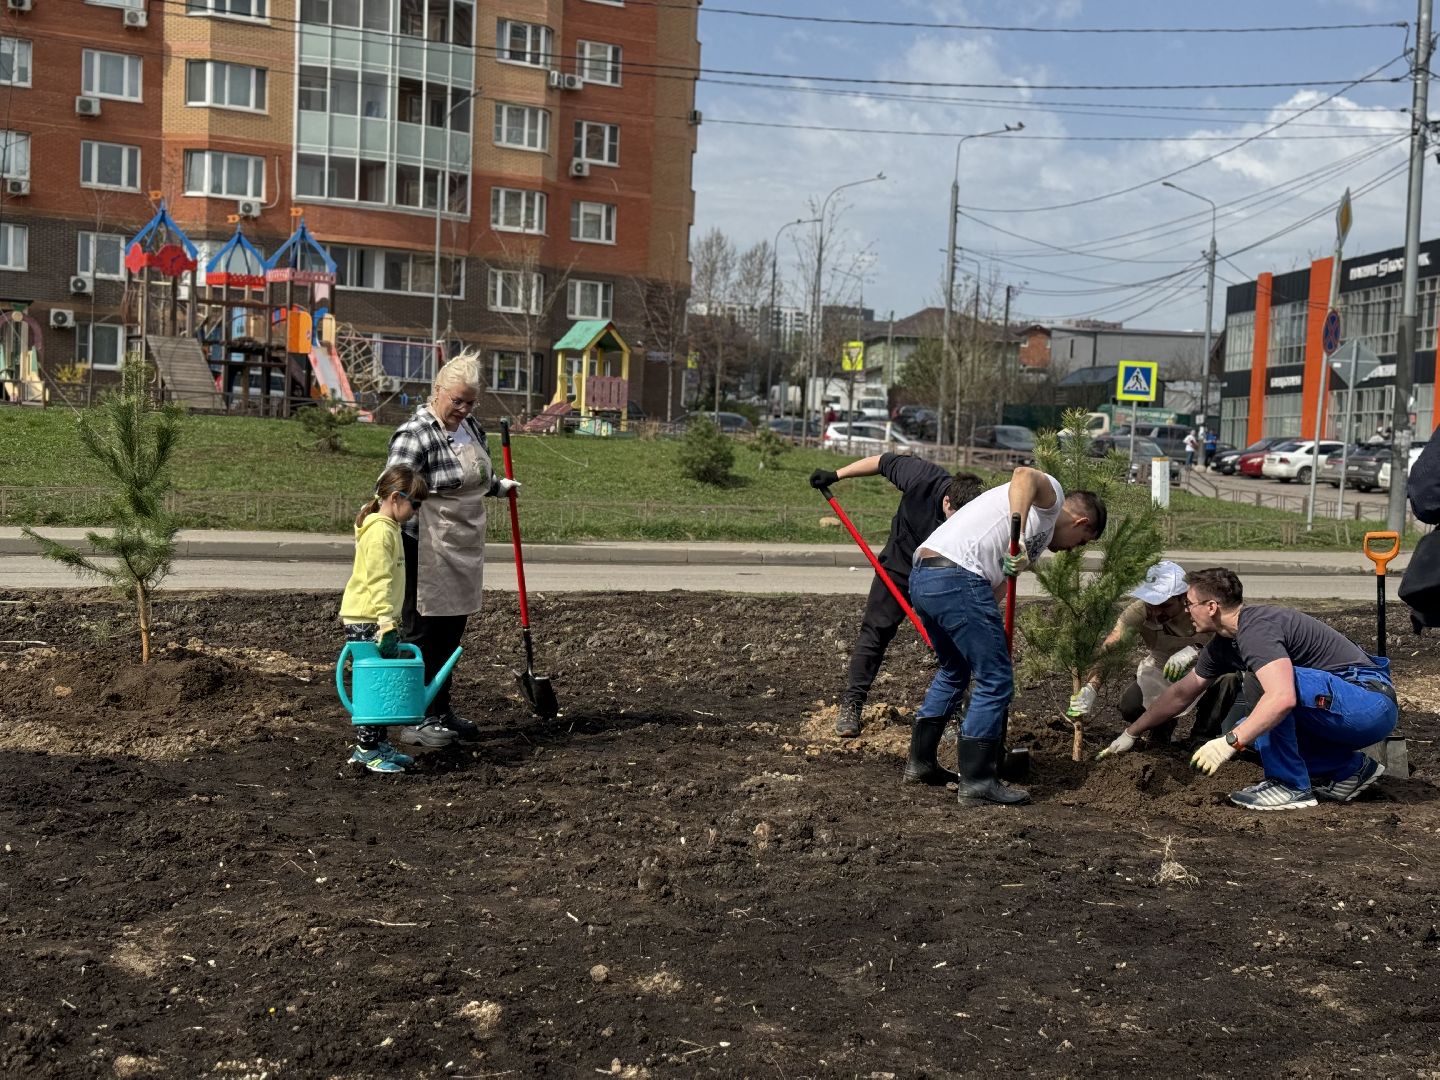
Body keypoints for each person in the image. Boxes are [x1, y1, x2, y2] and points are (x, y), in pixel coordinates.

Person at [1098, 567, 1397, 810]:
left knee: (1267, 707)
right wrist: (1131, 733)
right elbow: (1180, 694)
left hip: (1366, 703)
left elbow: (1281, 697)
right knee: (1253, 726)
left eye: (1190, 604)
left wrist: (1229, 742)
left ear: (1211, 607)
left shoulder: (1256, 628)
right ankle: (1350, 769)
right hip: (1340, 709)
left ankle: (1290, 785)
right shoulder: (1223, 645)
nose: (1186, 611)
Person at [909, 466, 1107, 806]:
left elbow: (995, 590)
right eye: (1082, 544)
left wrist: (1014, 557)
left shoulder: (1036, 541)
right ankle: (978, 781)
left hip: (926, 576)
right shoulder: (1052, 498)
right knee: (995, 678)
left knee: (955, 669)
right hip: (957, 574)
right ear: (1081, 523)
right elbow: (1024, 475)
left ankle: (921, 763)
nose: (1073, 550)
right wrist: (1016, 532)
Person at [385, 351, 521, 748]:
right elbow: (392, 488)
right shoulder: (415, 433)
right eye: (456, 400)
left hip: (463, 541)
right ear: (437, 391)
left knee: (452, 631)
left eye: (471, 402)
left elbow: (477, 474)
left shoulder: (472, 428)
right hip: (424, 544)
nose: (463, 409)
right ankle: (418, 717)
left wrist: (499, 486)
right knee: (425, 632)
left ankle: (441, 711)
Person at [808, 456, 985, 749]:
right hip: (899, 567)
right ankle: (852, 704)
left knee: (953, 645)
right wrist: (835, 475)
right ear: (946, 502)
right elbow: (881, 461)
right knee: (875, 632)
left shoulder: (976, 519)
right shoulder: (922, 477)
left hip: (942, 575)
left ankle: (954, 715)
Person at [1065, 560, 1241, 744]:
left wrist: (1197, 651)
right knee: (1130, 706)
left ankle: (1201, 737)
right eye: (1152, 605)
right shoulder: (1140, 610)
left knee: (1229, 677)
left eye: (1164, 605)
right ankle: (1161, 731)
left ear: (1183, 598)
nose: (1157, 612)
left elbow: (1231, 640)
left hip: (1207, 668)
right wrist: (1091, 687)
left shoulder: (1200, 608)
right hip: (1161, 667)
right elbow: (1112, 646)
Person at [339, 464, 430, 773]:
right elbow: (379, 581)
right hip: (368, 617)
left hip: (375, 617)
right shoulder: (380, 533)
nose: (416, 511)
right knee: (374, 685)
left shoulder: (387, 528)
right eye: (415, 504)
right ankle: (366, 751)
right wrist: (386, 624)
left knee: (381, 682)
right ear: (395, 497)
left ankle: (377, 745)